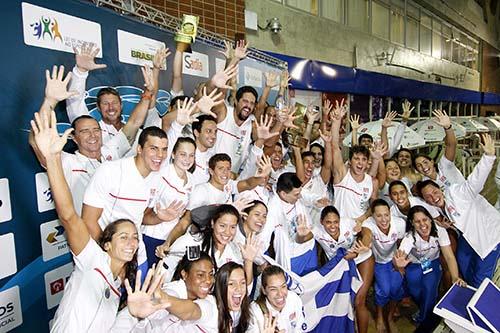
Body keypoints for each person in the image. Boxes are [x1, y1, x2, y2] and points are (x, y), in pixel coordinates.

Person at [30, 109, 166, 332]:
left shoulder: (121, 280)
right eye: (124, 237)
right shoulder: (91, 259)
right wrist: (53, 159)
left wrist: (131, 316)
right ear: (107, 243)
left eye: (134, 237)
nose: (132, 243)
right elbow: (68, 215)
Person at [29, 65, 152, 214]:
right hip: (85, 232)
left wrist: (148, 93)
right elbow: (37, 141)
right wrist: (50, 101)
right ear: (74, 138)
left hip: (115, 230)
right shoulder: (66, 162)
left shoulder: (111, 151)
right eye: (85, 131)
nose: (92, 135)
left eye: (95, 130)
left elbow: (133, 123)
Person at [417, 133, 500, 287]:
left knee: (481, 279)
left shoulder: (456, 191)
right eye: (428, 196)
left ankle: (481, 300)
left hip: (490, 236)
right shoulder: (439, 205)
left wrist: (488, 157)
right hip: (468, 236)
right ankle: (470, 289)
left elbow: (474, 182)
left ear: (441, 190)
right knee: (462, 260)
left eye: (435, 193)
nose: (433, 197)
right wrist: (439, 221)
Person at [393, 205, 465, 332]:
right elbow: (401, 255)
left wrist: (455, 276)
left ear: (430, 219)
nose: (422, 225)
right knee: (414, 290)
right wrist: (398, 264)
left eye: (425, 220)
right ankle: (426, 307)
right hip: (414, 264)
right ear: (412, 223)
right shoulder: (410, 237)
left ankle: (424, 317)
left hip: (432, 262)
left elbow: (449, 256)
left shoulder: (440, 231)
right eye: (417, 221)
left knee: (430, 289)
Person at [114, 252, 218, 332]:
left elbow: (190, 311)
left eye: (211, 274)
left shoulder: (209, 300)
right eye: (200, 275)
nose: (208, 280)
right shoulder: (171, 291)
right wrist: (161, 297)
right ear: (184, 274)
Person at [141, 137, 196, 268]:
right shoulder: (162, 174)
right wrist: (160, 217)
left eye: (191, 155)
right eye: (183, 154)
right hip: (151, 235)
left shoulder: (192, 180)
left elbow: (184, 217)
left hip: (171, 240)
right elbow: (143, 212)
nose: (187, 160)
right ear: (173, 154)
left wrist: (169, 242)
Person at [362, 199, 406, 333]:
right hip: (379, 262)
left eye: (386, 215)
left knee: (396, 288)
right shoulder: (368, 224)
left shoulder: (399, 223)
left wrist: (400, 263)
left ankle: (390, 316)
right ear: (373, 216)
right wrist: (365, 245)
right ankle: (380, 316)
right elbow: (366, 235)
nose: (384, 219)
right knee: (384, 290)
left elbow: (401, 243)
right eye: (379, 216)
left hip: (394, 260)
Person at [413, 109, 464, 191]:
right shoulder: (425, 184)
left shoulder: (444, 166)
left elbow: (451, 145)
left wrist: (448, 127)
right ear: (417, 170)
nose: (423, 167)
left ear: (432, 162)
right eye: (419, 165)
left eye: (425, 162)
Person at [248, 265, 305, 333]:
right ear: (264, 290)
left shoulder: (293, 299)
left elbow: (299, 329)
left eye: (283, 286)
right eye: (273, 289)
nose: (280, 294)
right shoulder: (254, 312)